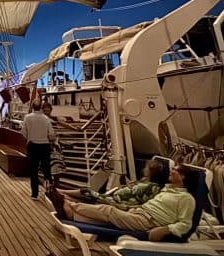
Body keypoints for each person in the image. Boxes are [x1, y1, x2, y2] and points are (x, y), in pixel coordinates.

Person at [62, 164, 196, 241]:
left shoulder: (186, 198)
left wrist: (165, 229)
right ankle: (73, 216)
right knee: (108, 220)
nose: (172, 171)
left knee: (109, 211)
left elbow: (185, 224)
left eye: (176, 170)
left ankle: (73, 206)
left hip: (149, 222)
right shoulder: (167, 190)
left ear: (183, 177)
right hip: (139, 212)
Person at [58, 158, 169, 210]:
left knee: (86, 192)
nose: (144, 169)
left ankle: (61, 193)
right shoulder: (144, 180)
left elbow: (144, 202)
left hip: (120, 204)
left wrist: (128, 207)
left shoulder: (153, 187)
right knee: (88, 195)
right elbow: (130, 188)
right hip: (114, 197)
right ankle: (62, 197)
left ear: (152, 171)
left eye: (146, 168)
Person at [22, 100, 57, 199]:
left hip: (32, 146)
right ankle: (49, 192)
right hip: (45, 146)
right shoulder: (46, 119)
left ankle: (35, 194)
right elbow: (51, 134)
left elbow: (23, 132)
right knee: (47, 170)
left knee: (33, 170)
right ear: (40, 107)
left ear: (32, 107)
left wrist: (29, 137)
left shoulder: (27, 118)